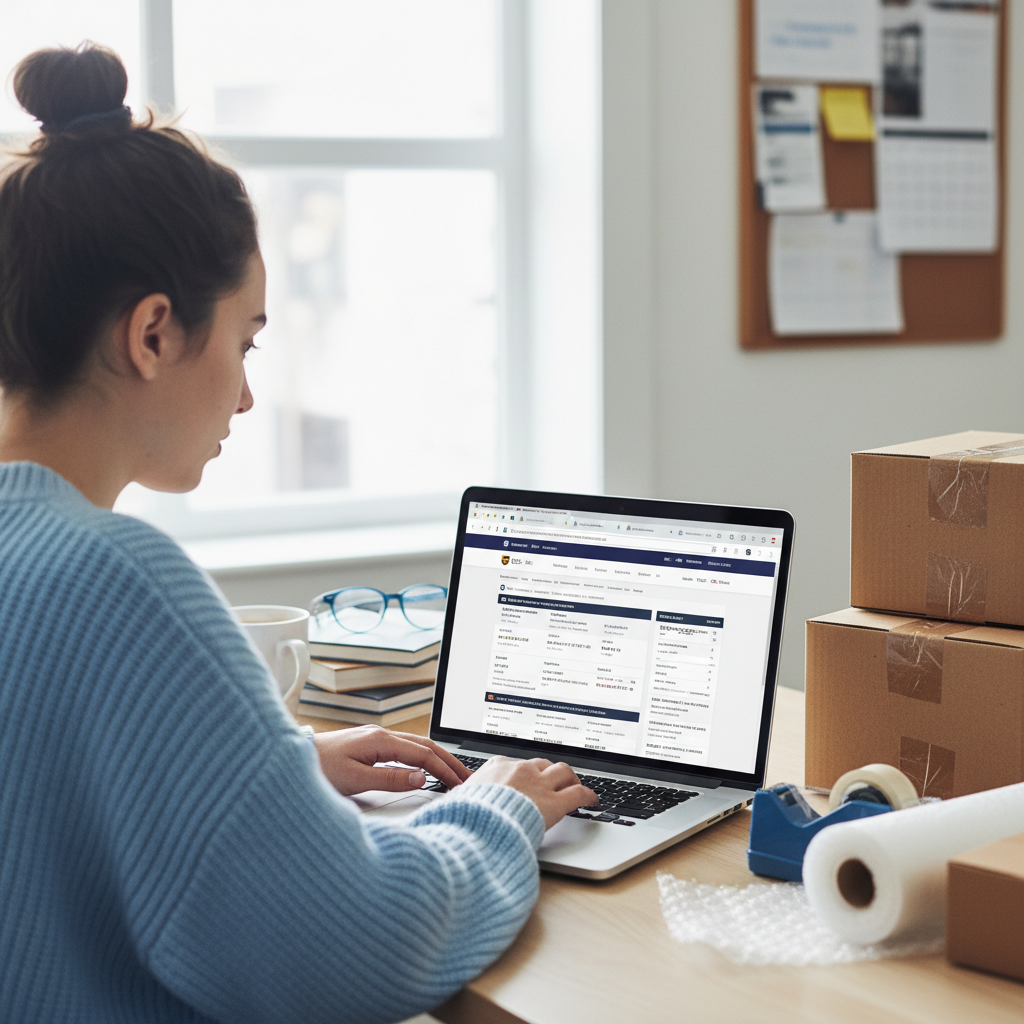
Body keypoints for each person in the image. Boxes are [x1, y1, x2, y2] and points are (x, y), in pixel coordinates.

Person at [0, 43, 595, 1024]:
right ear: (152, 333)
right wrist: (500, 809)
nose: (243, 392)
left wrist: (264, 772)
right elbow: (351, 951)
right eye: (244, 339)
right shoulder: (113, 576)